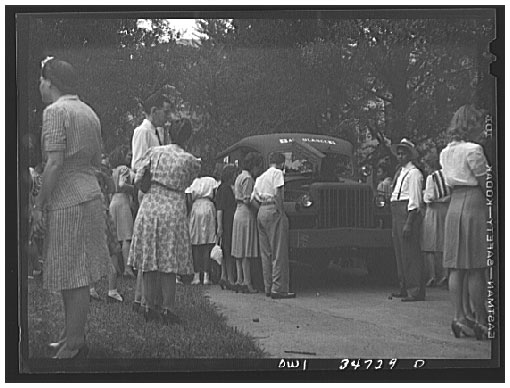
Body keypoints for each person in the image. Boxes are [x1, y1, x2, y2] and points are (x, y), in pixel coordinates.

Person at [32, 57, 109, 358]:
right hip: (89, 193)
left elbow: (54, 162)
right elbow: (95, 160)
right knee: (72, 268)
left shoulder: (55, 111)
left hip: (68, 198)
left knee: (73, 271)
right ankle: (70, 334)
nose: (39, 85)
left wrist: (39, 205)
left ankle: (75, 342)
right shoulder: (88, 112)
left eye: (41, 80)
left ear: (51, 82)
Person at [128, 119, 200, 324]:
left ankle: (149, 305)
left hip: (151, 205)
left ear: (169, 133)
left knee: (149, 258)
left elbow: (138, 178)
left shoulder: (155, 152)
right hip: (173, 207)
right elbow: (187, 183)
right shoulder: (189, 160)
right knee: (169, 259)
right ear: (188, 137)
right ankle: (168, 308)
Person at [440, 105, 489, 340]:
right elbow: (485, 183)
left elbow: (448, 182)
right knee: (476, 266)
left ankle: (459, 317)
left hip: (454, 203)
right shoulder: (474, 150)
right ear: (472, 124)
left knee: (456, 266)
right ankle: (481, 319)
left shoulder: (446, 152)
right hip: (473, 202)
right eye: (478, 122)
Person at [130, 93, 172, 312]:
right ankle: (144, 300)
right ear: (154, 110)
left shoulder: (158, 133)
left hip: (157, 194)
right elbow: (138, 164)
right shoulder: (143, 132)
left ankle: (144, 298)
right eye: (165, 111)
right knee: (148, 247)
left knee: (153, 247)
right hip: (149, 192)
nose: (167, 117)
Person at [252, 152, 295, 299]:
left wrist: (262, 209)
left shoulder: (260, 177)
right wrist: (281, 212)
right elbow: (278, 194)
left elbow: (252, 198)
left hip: (261, 210)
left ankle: (268, 286)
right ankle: (279, 288)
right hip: (273, 210)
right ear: (281, 163)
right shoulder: (277, 173)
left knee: (266, 253)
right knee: (278, 251)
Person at [389, 138, 425, 302]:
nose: (400, 156)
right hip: (396, 211)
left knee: (410, 252)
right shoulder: (401, 172)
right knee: (400, 252)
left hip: (407, 212)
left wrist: (409, 222)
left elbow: (415, 199)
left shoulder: (414, 173)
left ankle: (415, 290)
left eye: (404, 153)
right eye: (399, 153)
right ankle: (403, 286)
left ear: (410, 155)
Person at [231, 152, 263, 294]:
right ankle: (247, 282)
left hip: (238, 213)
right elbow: (247, 199)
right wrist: (259, 207)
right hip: (246, 214)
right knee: (246, 250)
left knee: (239, 249)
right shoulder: (249, 179)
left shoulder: (239, 177)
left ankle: (239, 279)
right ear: (253, 166)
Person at [421, 156, 450, 288]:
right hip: (446, 210)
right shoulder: (450, 176)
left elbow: (429, 198)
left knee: (429, 245)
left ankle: (432, 275)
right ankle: (445, 274)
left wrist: (425, 195)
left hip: (433, 211)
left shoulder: (431, 177)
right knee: (444, 243)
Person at [186, 175, 219, 285]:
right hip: (208, 207)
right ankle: (206, 275)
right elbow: (215, 195)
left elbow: (189, 197)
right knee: (207, 242)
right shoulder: (212, 180)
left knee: (195, 242)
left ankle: (196, 275)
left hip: (196, 207)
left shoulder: (194, 181)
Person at [109, 146, 136, 278]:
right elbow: (121, 185)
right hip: (123, 201)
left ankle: (115, 268)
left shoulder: (112, 171)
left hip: (113, 201)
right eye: (128, 155)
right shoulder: (124, 170)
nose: (130, 157)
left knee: (115, 237)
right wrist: (133, 188)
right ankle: (127, 268)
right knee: (126, 236)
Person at [215, 164, 238, 290]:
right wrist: (220, 226)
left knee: (225, 251)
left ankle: (223, 276)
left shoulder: (221, 188)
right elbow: (220, 208)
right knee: (228, 251)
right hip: (226, 222)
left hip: (225, 221)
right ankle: (230, 278)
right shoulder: (225, 189)